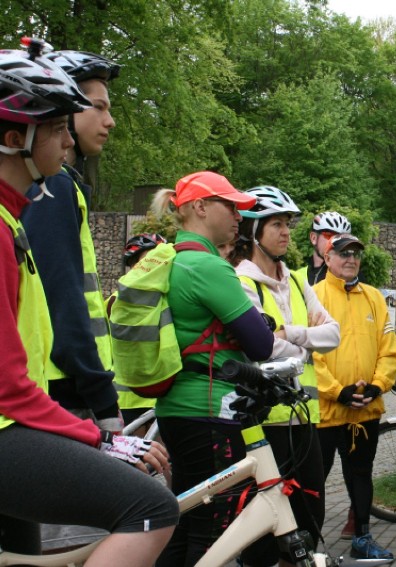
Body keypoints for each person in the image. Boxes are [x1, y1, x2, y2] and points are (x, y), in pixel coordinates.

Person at [0, 40, 177, 565]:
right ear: (15, 138)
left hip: (20, 420)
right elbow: (8, 382)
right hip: (12, 423)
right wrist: (98, 436)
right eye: (56, 128)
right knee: (151, 509)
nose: (66, 138)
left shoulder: (13, 217)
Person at [148, 171, 278, 567]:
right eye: (231, 205)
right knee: (214, 531)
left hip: (176, 408)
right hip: (209, 410)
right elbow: (261, 343)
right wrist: (256, 328)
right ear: (200, 208)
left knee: (184, 524)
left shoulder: (172, 260)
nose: (240, 216)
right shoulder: (207, 267)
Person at [231, 185, 340, 566]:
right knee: (263, 529)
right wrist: (305, 341)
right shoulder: (241, 282)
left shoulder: (296, 280)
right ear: (252, 230)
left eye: (288, 225)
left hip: (304, 417)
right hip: (263, 424)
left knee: (310, 520)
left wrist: (291, 333)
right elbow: (260, 348)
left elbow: (334, 335)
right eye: (275, 224)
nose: (285, 232)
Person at [20, 47, 123, 433]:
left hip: (55, 383)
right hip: (62, 389)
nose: (109, 121)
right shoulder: (54, 186)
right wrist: (103, 398)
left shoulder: (52, 184)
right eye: (98, 107)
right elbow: (63, 298)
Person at [312, 233, 396, 560]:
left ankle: (362, 536)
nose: (351, 259)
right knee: (315, 479)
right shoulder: (314, 296)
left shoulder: (375, 298)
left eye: (356, 254)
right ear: (327, 256)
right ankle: (309, 543)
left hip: (365, 410)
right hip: (325, 411)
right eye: (343, 253)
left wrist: (377, 386)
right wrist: (338, 391)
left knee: (360, 474)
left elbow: (389, 351)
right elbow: (310, 355)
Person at [108, 232, 168, 425]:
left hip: (163, 394)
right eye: (149, 260)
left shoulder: (168, 296)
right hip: (129, 399)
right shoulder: (116, 301)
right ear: (134, 265)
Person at [292, 210, 352, 286]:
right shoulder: (297, 277)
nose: (336, 242)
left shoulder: (349, 276)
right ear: (313, 238)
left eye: (342, 238)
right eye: (329, 235)